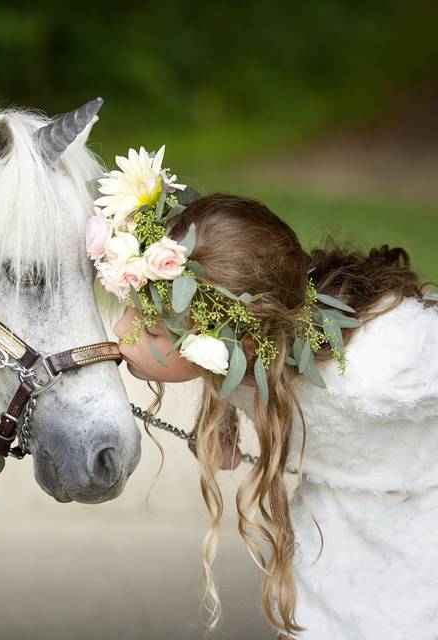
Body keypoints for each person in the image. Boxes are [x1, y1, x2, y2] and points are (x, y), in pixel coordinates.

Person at [92, 181, 436, 638]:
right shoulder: (243, 351)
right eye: (130, 309)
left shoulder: (377, 369)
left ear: (241, 343)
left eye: (151, 332)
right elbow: (226, 377)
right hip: (336, 510)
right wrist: (221, 424)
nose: (120, 329)